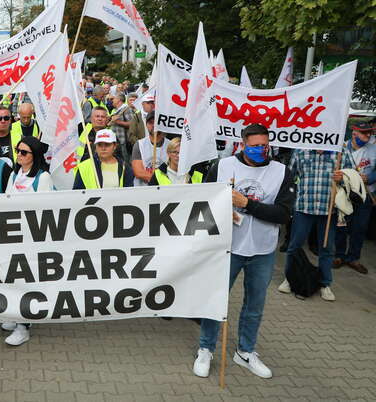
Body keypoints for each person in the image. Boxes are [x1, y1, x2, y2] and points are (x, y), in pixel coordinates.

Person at [193, 124, 295, 380]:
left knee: (255, 305)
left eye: (265, 144)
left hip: (262, 250)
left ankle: (246, 351)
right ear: (242, 144)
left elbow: (283, 214)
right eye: (256, 145)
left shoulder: (282, 171)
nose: (262, 149)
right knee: (215, 300)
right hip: (227, 248)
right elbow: (203, 202)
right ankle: (206, 348)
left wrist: (246, 204)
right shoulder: (224, 166)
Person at [278, 147, 352, 301]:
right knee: (294, 246)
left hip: (329, 209)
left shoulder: (340, 151)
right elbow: (290, 177)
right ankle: (290, 279)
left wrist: (343, 178)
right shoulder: (301, 151)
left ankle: (325, 284)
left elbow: (353, 178)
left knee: (327, 249)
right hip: (303, 207)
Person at [2, 136, 53, 345]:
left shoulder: (43, 178)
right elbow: (5, 201)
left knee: (27, 282)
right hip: (14, 235)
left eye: (24, 152)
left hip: (32, 238)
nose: (19, 155)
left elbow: (44, 210)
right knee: (14, 279)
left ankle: (24, 327)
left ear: (35, 155)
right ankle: (16, 316)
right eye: (18, 151)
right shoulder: (15, 174)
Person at [334, 122, 375, 274]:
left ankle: (353, 258)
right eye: (365, 133)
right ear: (354, 133)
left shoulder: (373, 149)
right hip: (345, 194)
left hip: (366, 194)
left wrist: (370, 178)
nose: (368, 136)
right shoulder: (342, 148)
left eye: (369, 133)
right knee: (341, 225)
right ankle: (339, 255)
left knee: (360, 227)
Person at [131, 111, 170, 185]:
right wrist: (158, 181)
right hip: (144, 189)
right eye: (150, 123)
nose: (153, 125)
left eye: (156, 122)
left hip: (165, 189)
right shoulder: (139, 145)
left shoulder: (170, 145)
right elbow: (138, 172)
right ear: (146, 125)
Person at [108, 93, 133, 160]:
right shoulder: (116, 111)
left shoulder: (126, 109)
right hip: (116, 141)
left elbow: (132, 124)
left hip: (123, 141)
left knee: (126, 162)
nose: (112, 100)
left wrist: (117, 122)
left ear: (119, 100)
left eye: (114, 99)